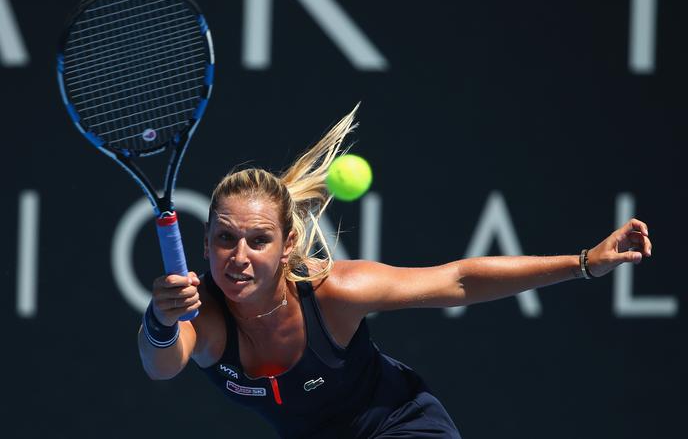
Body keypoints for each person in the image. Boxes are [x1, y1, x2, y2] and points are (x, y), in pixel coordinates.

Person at [137, 105, 652, 438]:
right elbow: (161, 365)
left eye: (258, 240)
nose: (239, 256)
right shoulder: (204, 316)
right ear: (204, 246)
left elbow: (459, 280)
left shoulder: (333, 294)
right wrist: (160, 321)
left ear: (288, 243)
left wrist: (584, 263)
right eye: (225, 238)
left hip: (404, 427)